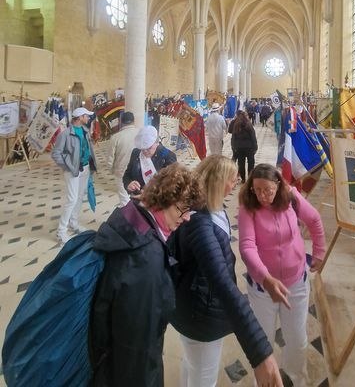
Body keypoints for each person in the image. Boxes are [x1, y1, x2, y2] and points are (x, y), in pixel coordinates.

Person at [169, 155, 282, 387]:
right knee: (204, 377)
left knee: (192, 363)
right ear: (219, 182)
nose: (236, 183)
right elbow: (222, 284)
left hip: (195, 304)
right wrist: (260, 353)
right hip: (201, 314)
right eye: (233, 179)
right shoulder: (199, 223)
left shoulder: (210, 205)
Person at [89, 163, 205, 386]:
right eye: (183, 209)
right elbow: (138, 347)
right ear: (163, 200)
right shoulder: (147, 259)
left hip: (107, 357)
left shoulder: (132, 215)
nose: (187, 217)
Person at [238, 164, 326, 387]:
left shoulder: (291, 198)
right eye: (257, 190)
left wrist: (319, 251)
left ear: (277, 185)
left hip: (296, 283)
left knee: (296, 339)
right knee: (262, 343)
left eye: (267, 190)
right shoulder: (248, 206)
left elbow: (314, 219)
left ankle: (298, 379)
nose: (262, 196)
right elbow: (247, 247)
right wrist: (266, 279)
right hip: (262, 290)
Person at [52, 107, 97, 244]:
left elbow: (88, 149)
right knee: (72, 199)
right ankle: (61, 232)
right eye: (86, 116)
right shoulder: (65, 134)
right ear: (80, 117)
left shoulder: (85, 131)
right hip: (72, 170)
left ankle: (74, 223)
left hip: (85, 168)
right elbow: (56, 154)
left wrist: (92, 165)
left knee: (79, 197)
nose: (88, 118)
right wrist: (68, 166)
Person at [123, 125, 176, 195]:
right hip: (138, 196)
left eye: (149, 148)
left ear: (157, 142)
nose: (145, 151)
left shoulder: (168, 156)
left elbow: (172, 184)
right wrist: (128, 184)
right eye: (142, 149)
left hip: (158, 199)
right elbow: (127, 174)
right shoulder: (136, 152)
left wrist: (150, 194)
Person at [107, 111, 139, 207]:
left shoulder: (115, 137)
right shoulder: (141, 133)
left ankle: (128, 214)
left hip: (121, 172)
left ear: (121, 122)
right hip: (138, 171)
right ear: (133, 121)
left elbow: (110, 158)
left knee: (124, 199)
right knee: (138, 197)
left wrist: (111, 170)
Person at [228, 110, 257, 182]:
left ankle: (243, 178)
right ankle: (250, 178)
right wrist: (255, 147)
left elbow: (233, 137)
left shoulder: (236, 125)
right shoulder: (249, 124)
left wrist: (233, 146)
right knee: (251, 163)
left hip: (239, 147)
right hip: (249, 147)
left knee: (241, 163)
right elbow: (253, 136)